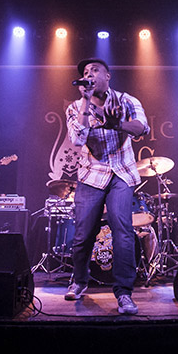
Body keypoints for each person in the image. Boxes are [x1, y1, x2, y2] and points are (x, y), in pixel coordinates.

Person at [64, 58, 150, 315]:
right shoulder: (75, 107)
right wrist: (86, 103)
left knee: (122, 231)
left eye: (94, 70)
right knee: (83, 235)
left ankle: (124, 293)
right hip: (91, 175)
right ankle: (80, 280)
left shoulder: (127, 101)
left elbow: (142, 128)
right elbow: (77, 139)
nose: (89, 74)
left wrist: (116, 124)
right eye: (85, 72)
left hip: (121, 173)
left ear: (107, 76)